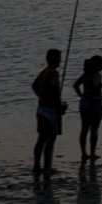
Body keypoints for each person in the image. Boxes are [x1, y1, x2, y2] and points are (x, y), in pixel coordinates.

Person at [31, 48, 65, 177]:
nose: (60, 61)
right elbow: (55, 90)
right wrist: (59, 106)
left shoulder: (43, 72)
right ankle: (47, 167)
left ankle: (36, 166)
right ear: (54, 59)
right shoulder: (54, 73)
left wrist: (42, 96)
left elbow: (34, 85)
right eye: (59, 58)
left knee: (41, 139)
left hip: (41, 109)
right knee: (51, 139)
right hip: (50, 111)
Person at [73, 55, 102, 162]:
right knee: (94, 129)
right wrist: (95, 92)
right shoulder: (97, 75)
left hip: (83, 103)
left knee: (84, 129)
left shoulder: (85, 75)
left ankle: (84, 153)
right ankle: (92, 153)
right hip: (94, 104)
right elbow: (95, 86)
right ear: (97, 65)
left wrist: (81, 95)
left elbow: (75, 85)